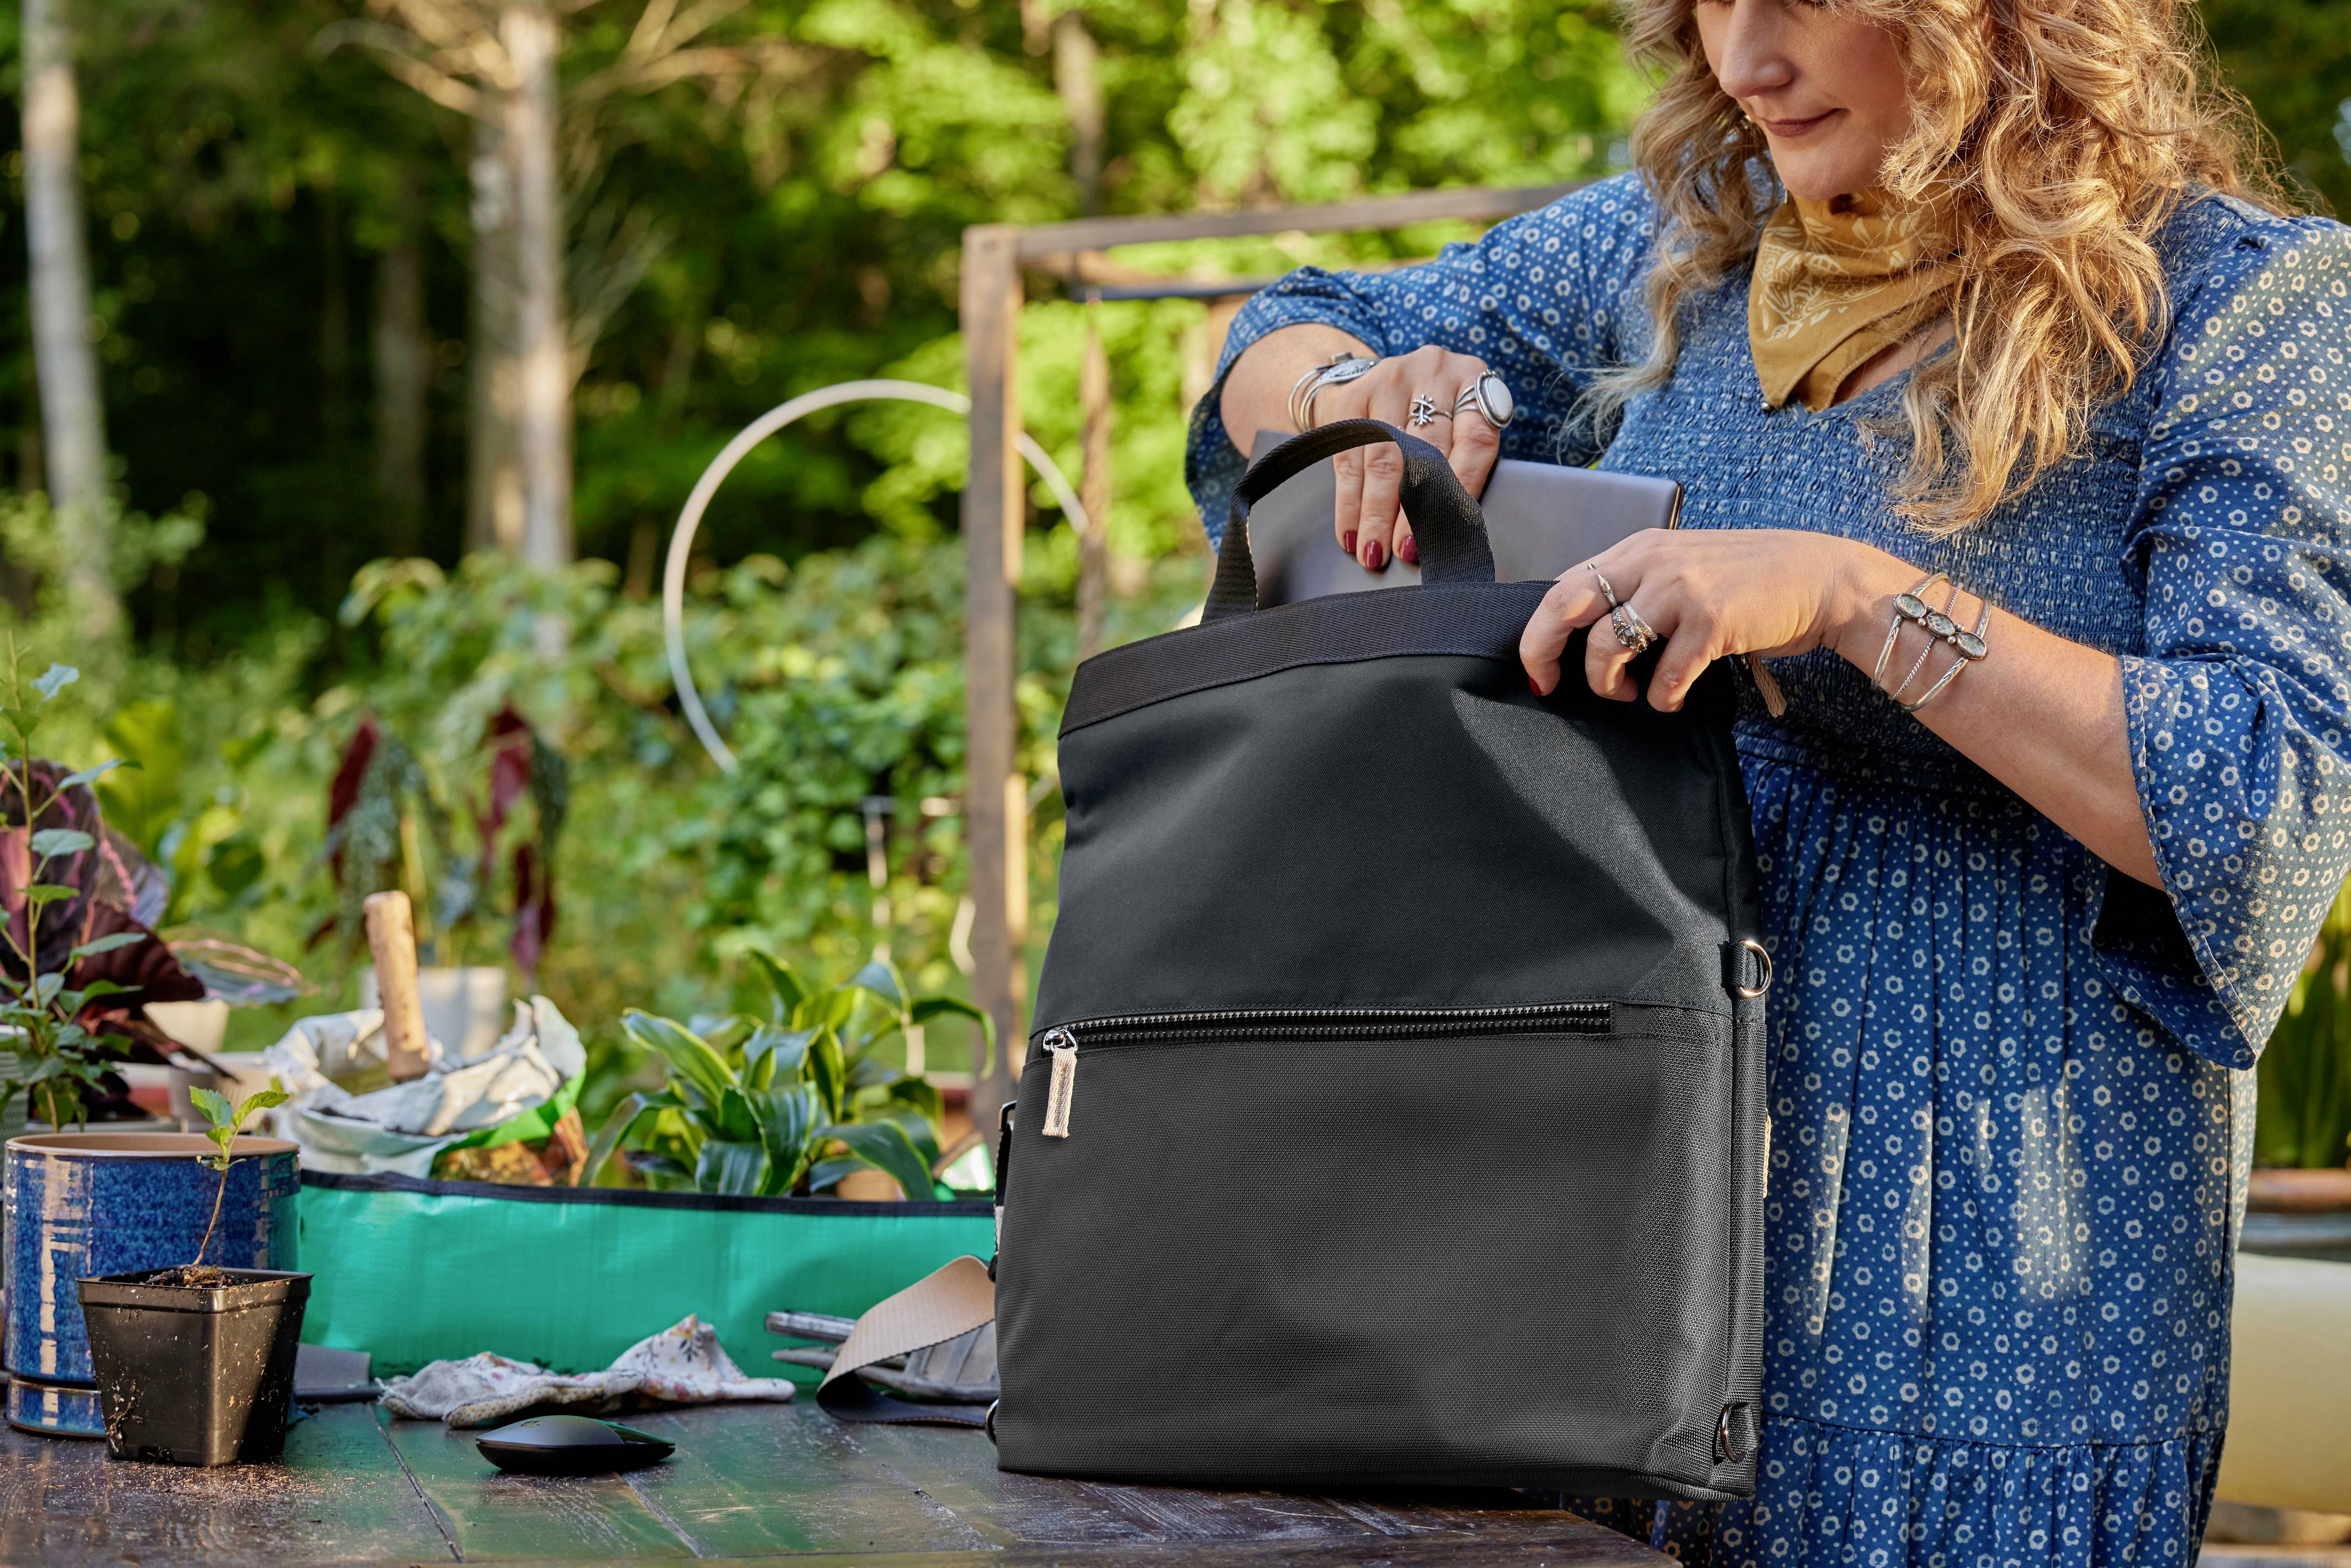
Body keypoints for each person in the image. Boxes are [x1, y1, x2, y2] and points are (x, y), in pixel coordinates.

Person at [1188, 0, 2351, 1564]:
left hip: (1994, 1245)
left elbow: (2265, 800)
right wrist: (1358, 406)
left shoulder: (2240, 303)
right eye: (1709, 3)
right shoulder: (1692, 239)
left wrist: (1856, 602)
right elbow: (1279, 329)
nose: (1743, 59)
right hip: (1618, 1202)